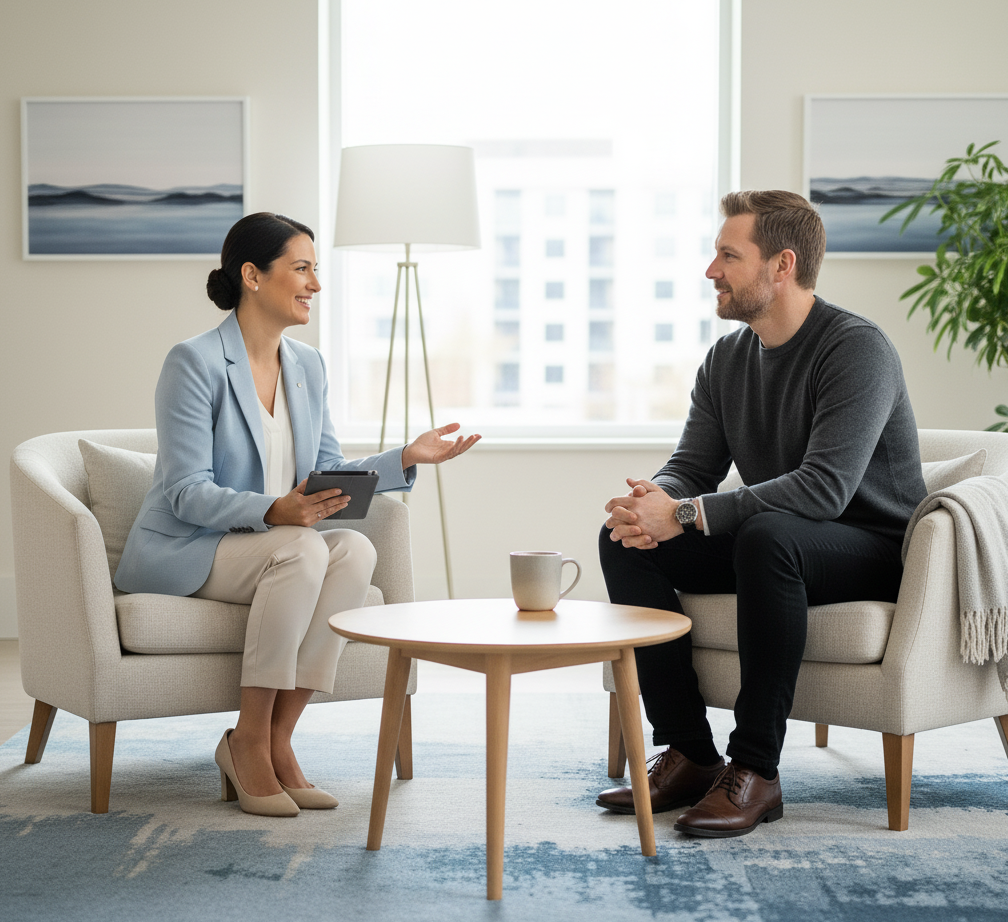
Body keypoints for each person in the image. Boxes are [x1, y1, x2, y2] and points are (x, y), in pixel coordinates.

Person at [115, 212, 480, 818]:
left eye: (316, 269)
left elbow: (326, 469)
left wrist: (404, 458)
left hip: (271, 546)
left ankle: (278, 738)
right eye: (302, 268)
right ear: (252, 276)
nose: (315, 283)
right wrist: (274, 509)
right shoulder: (194, 362)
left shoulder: (307, 365)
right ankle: (247, 740)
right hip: (190, 546)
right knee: (304, 548)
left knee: (356, 550)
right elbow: (184, 491)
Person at [595, 190, 926, 838]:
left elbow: (824, 490)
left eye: (728, 255)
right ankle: (690, 752)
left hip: (870, 547)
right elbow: (692, 465)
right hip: (776, 544)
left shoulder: (856, 348)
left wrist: (685, 513)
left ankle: (755, 770)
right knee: (622, 539)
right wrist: (654, 501)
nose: (711, 270)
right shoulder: (728, 358)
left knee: (768, 536)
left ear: (782, 264)